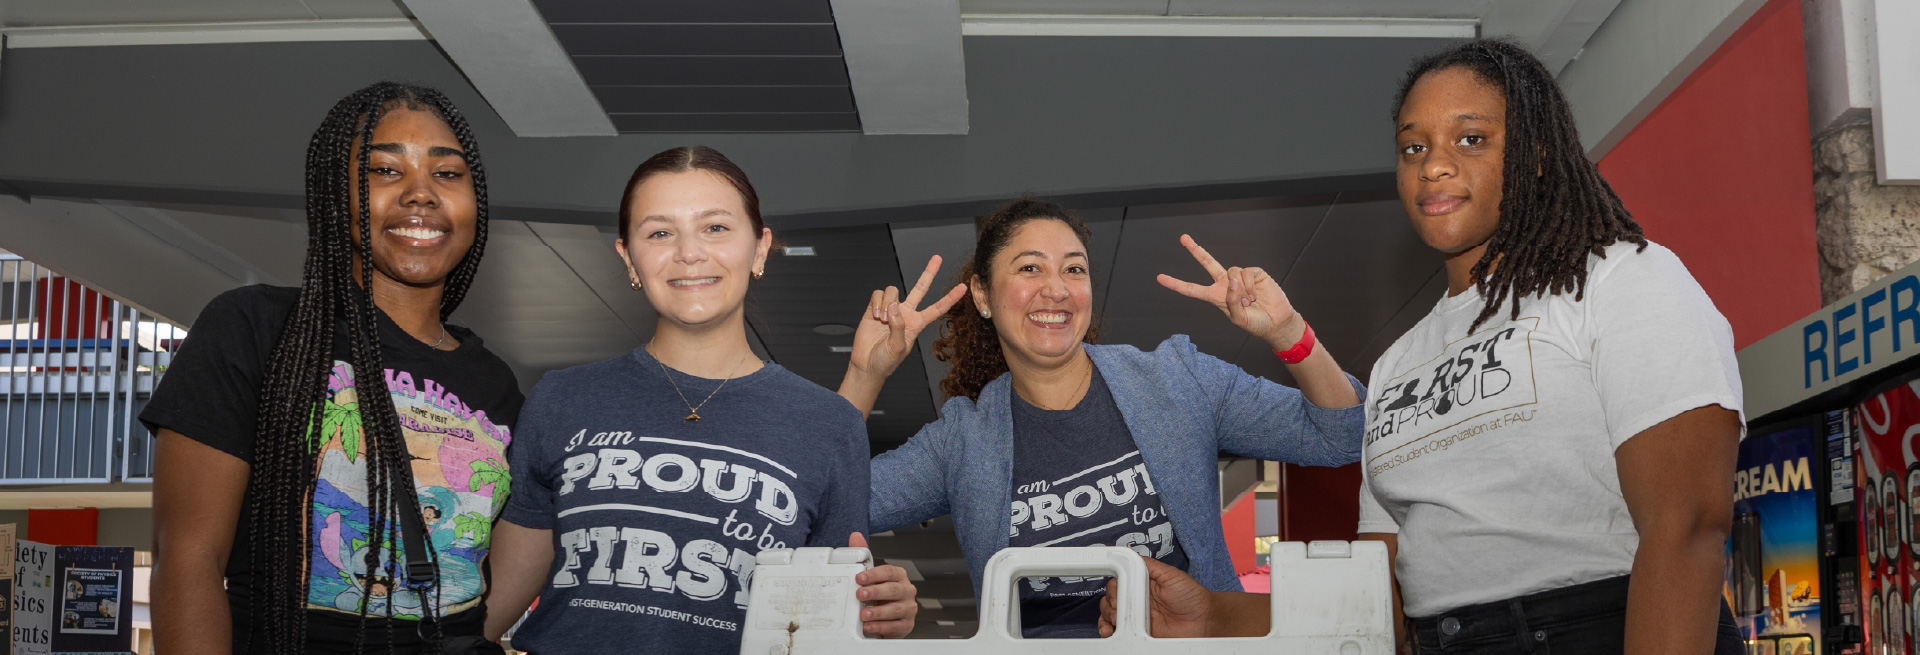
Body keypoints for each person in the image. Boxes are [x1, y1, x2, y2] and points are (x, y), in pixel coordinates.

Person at [1095, 39, 1745, 654]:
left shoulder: (1623, 279)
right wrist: (1215, 614)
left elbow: (1686, 526)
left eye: (1471, 138)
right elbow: (1378, 600)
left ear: (1537, 154)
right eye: (1413, 147)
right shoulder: (1398, 364)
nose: (1433, 164)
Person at [836, 197, 1366, 638]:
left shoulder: (1177, 380)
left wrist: (1289, 332)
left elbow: (1340, 437)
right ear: (982, 295)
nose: (1057, 288)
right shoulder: (962, 442)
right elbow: (818, 504)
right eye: (1029, 268)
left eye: (1074, 268)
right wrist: (864, 373)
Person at [483, 146, 919, 654]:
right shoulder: (562, 399)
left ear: (759, 249)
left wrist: (878, 615)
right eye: (660, 232)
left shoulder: (830, 424)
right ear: (628, 258)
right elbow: (491, 608)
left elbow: (826, 623)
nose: (689, 252)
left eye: (715, 227)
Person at [149, 82, 518, 654]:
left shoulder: (494, 382)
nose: (421, 194)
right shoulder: (256, 327)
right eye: (384, 170)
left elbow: (485, 574)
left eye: (447, 174)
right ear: (332, 193)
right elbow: (188, 558)